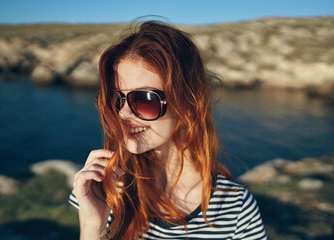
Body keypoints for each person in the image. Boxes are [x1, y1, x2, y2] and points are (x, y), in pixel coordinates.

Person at [69, 20, 267, 240]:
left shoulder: (236, 209)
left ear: (190, 105)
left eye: (145, 99)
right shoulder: (101, 187)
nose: (123, 113)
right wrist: (93, 225)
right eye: (117, 98)